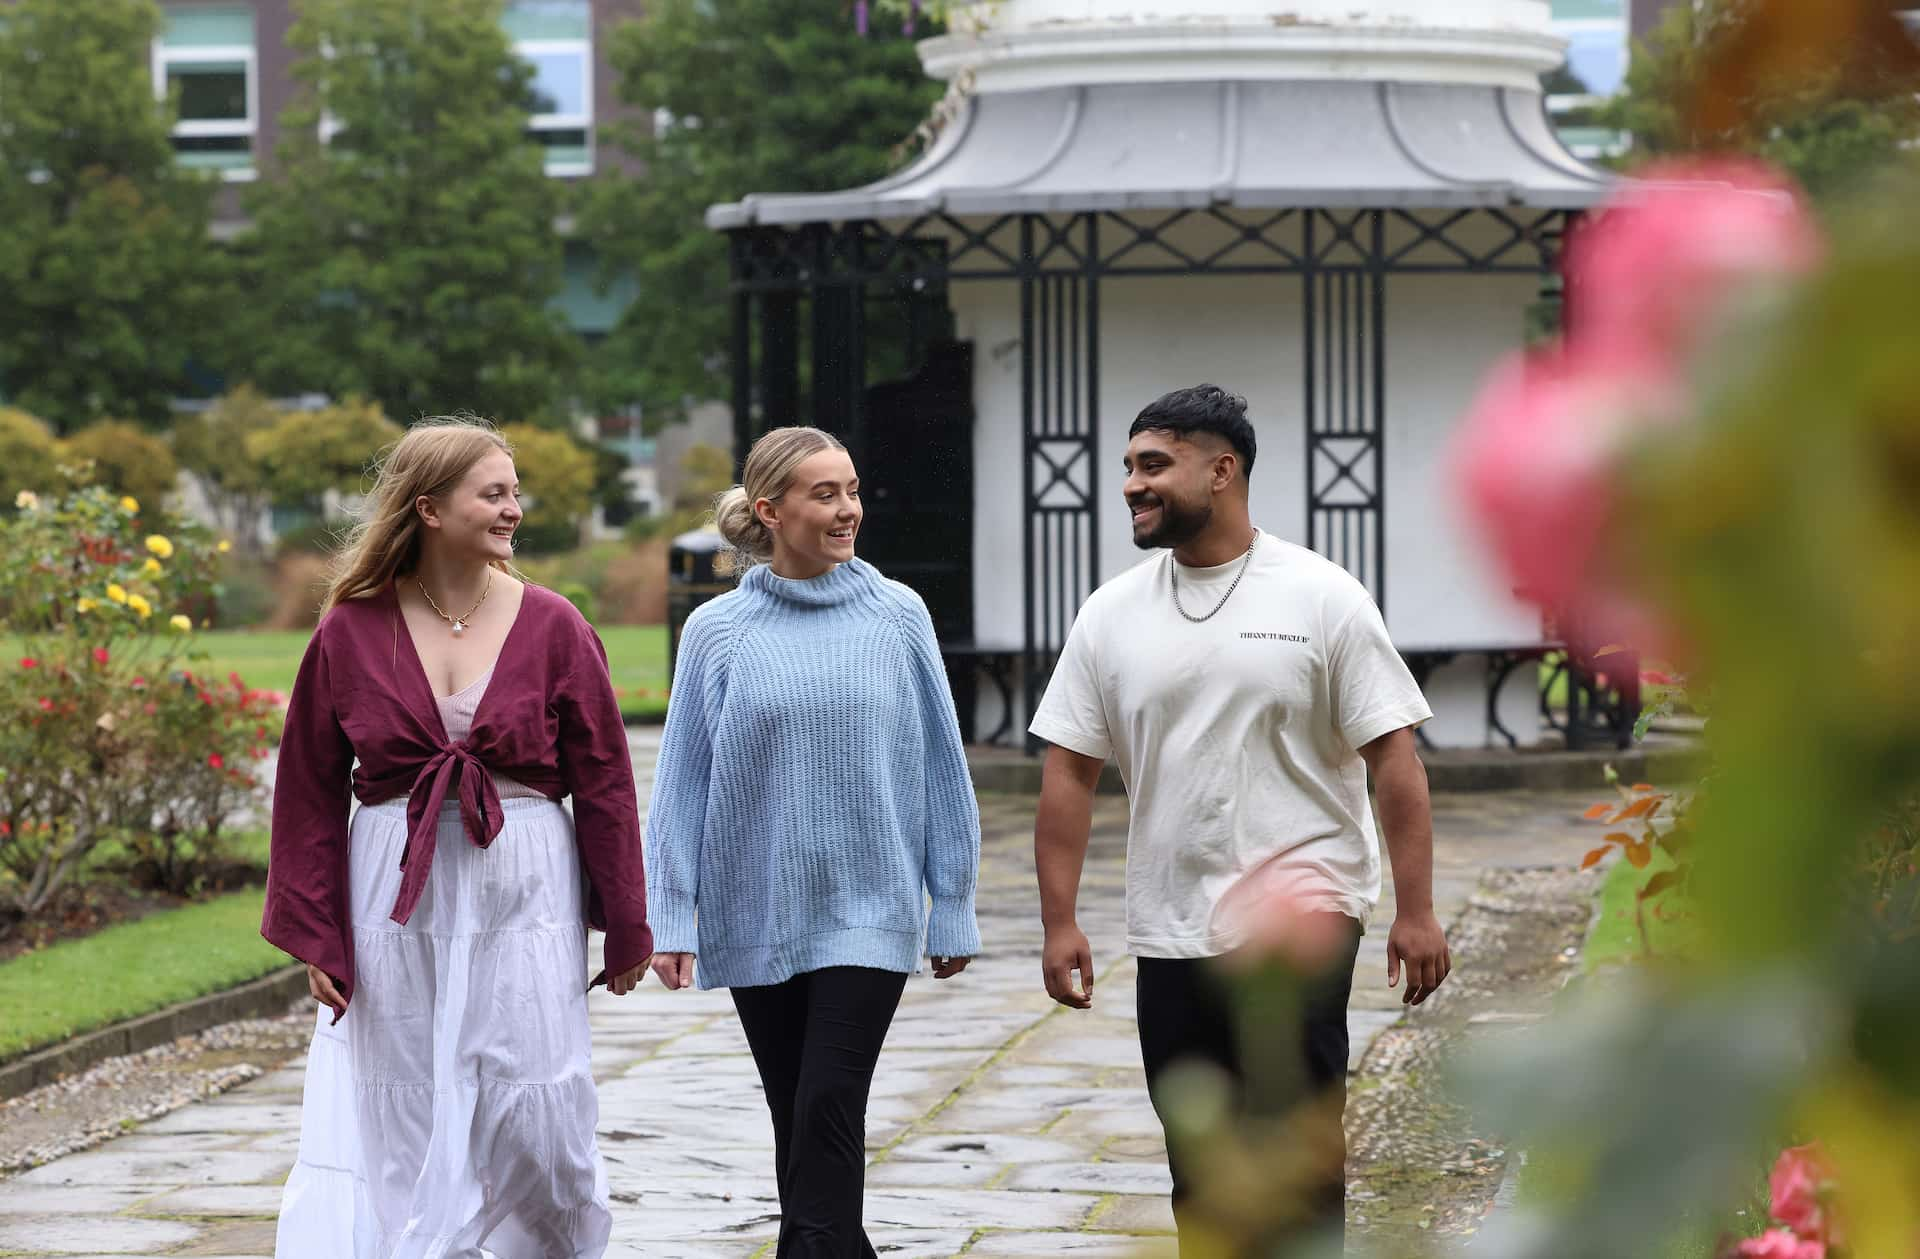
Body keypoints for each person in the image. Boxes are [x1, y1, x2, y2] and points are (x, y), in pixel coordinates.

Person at [1028, 385, 1450, 1254]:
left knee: (1294, 1145)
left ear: (1222, 471)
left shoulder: (1323, 596)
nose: (1131, 486)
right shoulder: (1110, 614)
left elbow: (1394, 757)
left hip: (1304, 909)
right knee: (1200, 1161)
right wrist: (1060, 921)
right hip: (1172, 923)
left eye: (1154, 465)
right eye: (1128, 468)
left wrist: (1416, 909)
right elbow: (1069, 770)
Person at [261, 417, 653, 1259]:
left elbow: (608, 784)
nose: (514, 509)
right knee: (399, 1099)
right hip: (393, 886)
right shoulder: (349, 628)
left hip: (525, 882)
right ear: (430, 507)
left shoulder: (554, 624)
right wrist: (314, 931)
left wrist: (626, 921)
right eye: (495, 492)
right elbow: (307, 789)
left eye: (515, 492)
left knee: (530, 1108)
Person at [644, 425, 981, 1258]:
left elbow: (943, 766)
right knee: (797, 1119)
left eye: (853, 490)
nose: (848, 510)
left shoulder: (898, 616)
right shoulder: (717, 634)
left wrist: (955, 905)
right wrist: (671, 915)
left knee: (829, 1105)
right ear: (771, 510)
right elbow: (682, 782)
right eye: (825, 493)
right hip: (756, 908)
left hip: (872, 907)